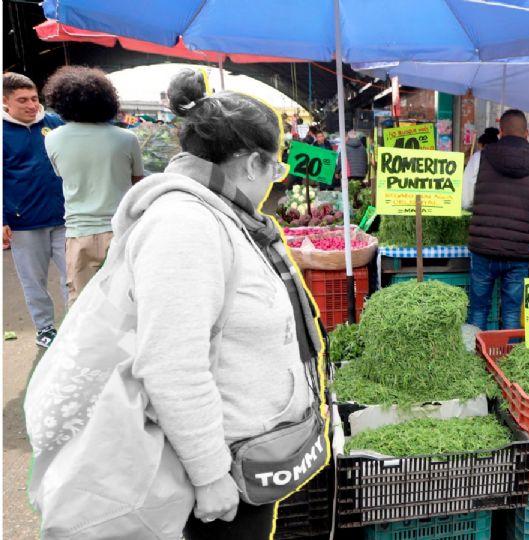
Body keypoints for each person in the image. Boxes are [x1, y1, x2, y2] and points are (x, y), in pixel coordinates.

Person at [25, 68, 327, 539]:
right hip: (213, 470)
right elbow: (172, 364)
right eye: (275, 168)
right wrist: (209, 477)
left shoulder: (219, 213)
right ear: (251, 164)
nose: (274, 180)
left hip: (242, 454)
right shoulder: (186, 226)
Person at [42, 66, 144, 305]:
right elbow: (137, 183)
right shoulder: (127, 138)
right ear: (107, 100)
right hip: (121, 230)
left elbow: (63, 175)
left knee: (82, 304)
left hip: (79, 233)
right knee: (126, 301)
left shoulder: (53, 138)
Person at [462, 109, 529, 329]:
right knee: (512, 313)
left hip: (483, 248)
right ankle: (507, 360)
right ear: (526, 134)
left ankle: (472, 359)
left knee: (478, 310)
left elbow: (465, 202)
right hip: (519, 252)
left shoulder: (480, 158)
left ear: (501, 132)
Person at [2, 72, 68, 348]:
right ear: (5, 103)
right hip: (24, 222)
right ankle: (44, 328)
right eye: (22, 101)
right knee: (34, 281)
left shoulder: (54, 123)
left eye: (34, 98)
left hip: (64, 217)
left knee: (73, 276)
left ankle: (79, 324)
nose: (31, 105)